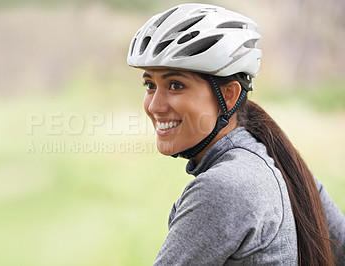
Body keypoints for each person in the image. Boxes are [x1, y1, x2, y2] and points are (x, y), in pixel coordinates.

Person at [126, 3, 345, 266]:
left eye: (176, 85)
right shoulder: (276, 161)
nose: (154, 106)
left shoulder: (223, 188)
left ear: (228, 95)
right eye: (150, 85)